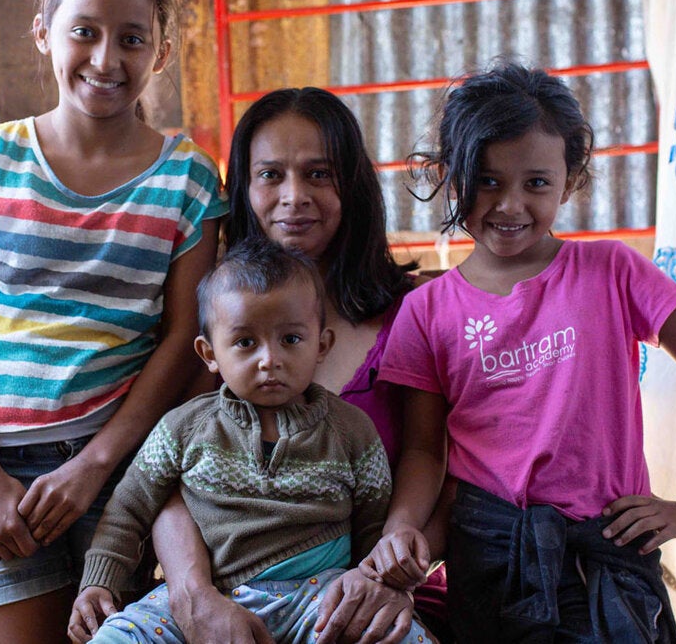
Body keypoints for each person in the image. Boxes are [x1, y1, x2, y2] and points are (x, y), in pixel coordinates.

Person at [0, 0, 225, 642]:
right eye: (84, 31)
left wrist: (96, 465)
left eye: (132, 39)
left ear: (162, 53)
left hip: (124, 464)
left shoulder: (188, 179)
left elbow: (183, 339)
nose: (106, 59)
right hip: (2, 473)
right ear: (43, 34)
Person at [363, 62, 676, 643]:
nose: (510, 205)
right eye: (487, 181)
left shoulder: (611, 270)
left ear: (571, 179)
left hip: (607, 564)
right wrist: (402, 529)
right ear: (451, 177)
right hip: (487, 569)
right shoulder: (426, 311)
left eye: (536, 183)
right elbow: (425, 450)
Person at [148, 87, 449, 644]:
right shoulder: (216, 322)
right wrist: (195, 598)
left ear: (352, 185)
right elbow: (166, 476)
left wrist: (391, 575)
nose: (294, 196)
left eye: (319, 174)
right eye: (270, 175)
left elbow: (434, 458)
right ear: (244, 189)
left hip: (365, 604)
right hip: (226, 607)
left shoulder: (413, 313)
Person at [67, 238, 433, 644]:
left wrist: (379, 581)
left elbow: (373, 528)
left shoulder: (353, 431)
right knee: (117, 638)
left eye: (290, 339)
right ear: (209, 353)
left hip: (319, 598)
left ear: (322, 345)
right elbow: (128, 508)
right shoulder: (181, 428)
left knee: (395, 635)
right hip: (208, 595)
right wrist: (98, 582)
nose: (269, 359)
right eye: (245, 342)